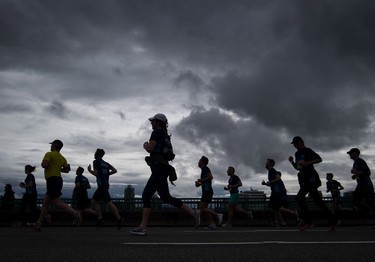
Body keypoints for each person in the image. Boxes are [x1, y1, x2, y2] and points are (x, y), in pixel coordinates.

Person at [129, 113, 200, 236]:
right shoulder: (166, 136)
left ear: (158, 122)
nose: (151, 123)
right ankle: (192, 213)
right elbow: (171, 154)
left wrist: (145, 145)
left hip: (157, 169)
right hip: (162, 169)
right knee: (163, 196)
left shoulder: (156, 133)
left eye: (153, 121)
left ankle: (143, 227)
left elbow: (151, 148)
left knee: (149, 196)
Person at [288, 136, 339, 231]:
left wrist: (307, 163)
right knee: (317, 201)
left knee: (300, 198)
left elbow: (319, 159)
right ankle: (333, 220)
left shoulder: (307, 150)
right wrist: (292, 162)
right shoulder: (297, 153)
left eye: (297, 143)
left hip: (312, 178)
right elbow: (298, 167)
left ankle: (308, 222)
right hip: (305, 178)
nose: (296, 145)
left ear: (302, 142)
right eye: (294, 144)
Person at [33, 139, 80, 231]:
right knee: (45, 203)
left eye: (52, 145)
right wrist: (58, 168)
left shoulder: (49, 154)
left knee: (57, 202)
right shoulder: (62, 158)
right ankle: (38, 224)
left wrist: (43, 163)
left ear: (55, 146)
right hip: (58, 180)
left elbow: (45, 165)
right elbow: (66, 170)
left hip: (52, 180)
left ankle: (75, 213)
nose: (50, 146)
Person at [88, 148, 123, 229]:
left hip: (101, 185)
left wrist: (89, 170)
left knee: (101, 202)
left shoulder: (96, 161)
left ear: (97, 154)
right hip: (106, 184)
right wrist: (106, 174)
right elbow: (115, 170)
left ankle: (115, 218)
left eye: (95, 153)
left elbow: (96, 174)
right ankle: (104, 219)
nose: (94, 154)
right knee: (101, 201)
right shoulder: (106, 163)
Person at [195, 156, 223, 229]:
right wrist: (199, 184)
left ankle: (218, 215)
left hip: (207, 191)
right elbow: (206, 181)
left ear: (203, 162)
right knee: (205, 208)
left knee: (202, 208)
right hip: (206, 191)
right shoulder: (203, 170)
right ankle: (212, 224)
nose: (198, 162)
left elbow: (210, 177)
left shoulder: (205, 169)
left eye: (199, 160)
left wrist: (201, 180)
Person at [347, 148, 375, 219]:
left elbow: (367, 172)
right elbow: (361, 173)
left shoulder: (360, 161)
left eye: (351, 153)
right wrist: (355, 175)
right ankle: (368, 212)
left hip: (365, 185)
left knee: (363, 201)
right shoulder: (356, 162)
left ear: (356, 153)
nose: (350, 155)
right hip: (362, 184)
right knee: (360, 201)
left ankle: (368, 212)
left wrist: (355, 172)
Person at [262, 159, 287, 227]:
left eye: (267, 162)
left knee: (275, 208)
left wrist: (270, 182)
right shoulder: (270, 171)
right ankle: (281, 222)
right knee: (275, 208)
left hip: (277, 192)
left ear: (270, 164)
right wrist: (265, 184)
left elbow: (278, 178)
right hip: (275, 191)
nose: (265, 164)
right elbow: (273, 183)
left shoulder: (272, 170)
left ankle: (281, 222)